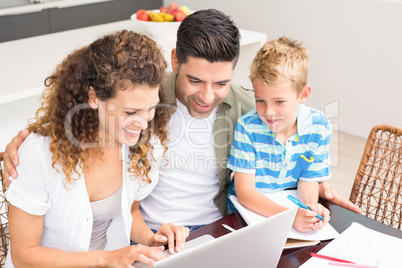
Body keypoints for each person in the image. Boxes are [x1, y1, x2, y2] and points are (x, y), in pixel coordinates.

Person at [3, 10, 362, 235]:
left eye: (220, 83)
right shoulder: (142, 96)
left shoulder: (243, 106)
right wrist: (19, 144)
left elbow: (289, 137)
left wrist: (316, 181)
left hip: (220, 228)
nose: (207, 96)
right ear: (176, 60)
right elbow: (76, 114)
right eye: (194, 81)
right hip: (147, 232)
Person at [4, 30, 188, 267]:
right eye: (130, 112)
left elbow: (129, 213)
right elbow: (24, 255)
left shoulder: (144, 146)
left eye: (151, 108)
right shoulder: (39, 152)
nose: (142, 124)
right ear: (93, 97)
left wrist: (151, 240)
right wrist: (106, 258)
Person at [226, 37, 331, 232]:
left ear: (303, 94)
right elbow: (245, 192)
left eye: (279, 102)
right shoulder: (247, 127)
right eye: (260, 101)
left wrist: (310, 208)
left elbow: (308, 180)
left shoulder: (319, 126)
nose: (268, 112)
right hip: (245, 218)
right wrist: (289, 217)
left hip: (286, 210)